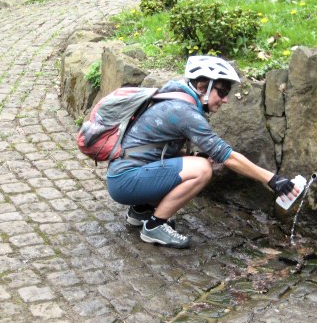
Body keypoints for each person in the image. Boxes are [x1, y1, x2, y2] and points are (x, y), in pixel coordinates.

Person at [106, 55, 300, 249]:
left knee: (196, 161)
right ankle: (155, 225)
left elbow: (157, 150)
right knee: (202, 169)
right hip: (125, 181)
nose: (225, 100)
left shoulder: (173, 97)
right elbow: (227, 156)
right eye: (222, 92)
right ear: (201, 87)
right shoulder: (184, 112)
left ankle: (141, 211)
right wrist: (272, 180)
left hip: (123, 176)